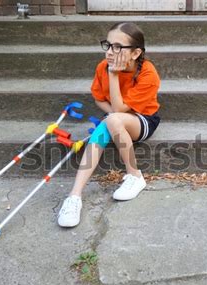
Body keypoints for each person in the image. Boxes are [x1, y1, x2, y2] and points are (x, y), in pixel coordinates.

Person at [57, 22, 161, 227]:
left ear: (135, 52)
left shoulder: (148, 73)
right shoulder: (102, 67)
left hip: (143, 120)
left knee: (112, 120)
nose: (111, 52)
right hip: (116, 116)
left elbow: (122, 110)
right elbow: (98, 98)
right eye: (108, 45)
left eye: (118, 47)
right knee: (107, 125)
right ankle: (74, 197)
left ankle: (135, 175)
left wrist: (114, 75)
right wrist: (112, 115)